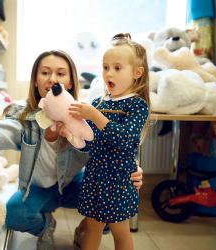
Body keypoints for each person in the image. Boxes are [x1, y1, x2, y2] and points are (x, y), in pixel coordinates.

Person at [0, 49, 144, 250]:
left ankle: (84, 229)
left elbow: (106, 144)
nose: (52, 79)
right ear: (35, 80)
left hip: (74, 184)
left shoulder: (83, 114)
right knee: (15, 214)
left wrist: (133, 168)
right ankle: (46, 226)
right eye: (45, 72)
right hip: (37, 189)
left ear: (70, 82)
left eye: (60, 73)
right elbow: (6, 131)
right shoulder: (21, 113)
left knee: (110, 211)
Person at [69, 33, 151, 250]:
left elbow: (124, 139)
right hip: (95, 175)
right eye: (105, 67)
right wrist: (70, 131)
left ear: (137, 73)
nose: (108, 73)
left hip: (119, 179)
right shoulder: (98, 101)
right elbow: (89, 141)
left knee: (120, 231)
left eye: (117, 67)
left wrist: (94, 115)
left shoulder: (136, 106)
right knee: (93, 227)